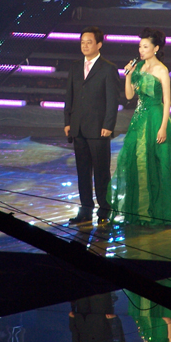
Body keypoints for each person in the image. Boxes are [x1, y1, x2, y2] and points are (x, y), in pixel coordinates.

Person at [109, 28, 171, 225]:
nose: (141, 50)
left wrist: (163, 127)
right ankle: (141, 212)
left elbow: (167, 101)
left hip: (156, 118)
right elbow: (129, 96)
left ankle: (160, 212)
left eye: (145, 47)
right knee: (138, 163)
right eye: (140, 46)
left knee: (157, 165)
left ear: (156, 48)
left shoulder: (162, 70)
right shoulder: (138, 67)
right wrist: (128, 75)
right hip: (139, 118)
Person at [64, 27, 121, 226]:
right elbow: (69, 96)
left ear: (99, 44)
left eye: (89, 42)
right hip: (78, 127)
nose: (85, 45)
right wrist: (67, 121)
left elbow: (113, 100)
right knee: (83, 172)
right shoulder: (75, 67)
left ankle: (104, 210)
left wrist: (108, 124)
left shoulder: (108, 68)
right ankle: (85, 210)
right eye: (82, 42)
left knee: (101, 172)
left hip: (98, 129)